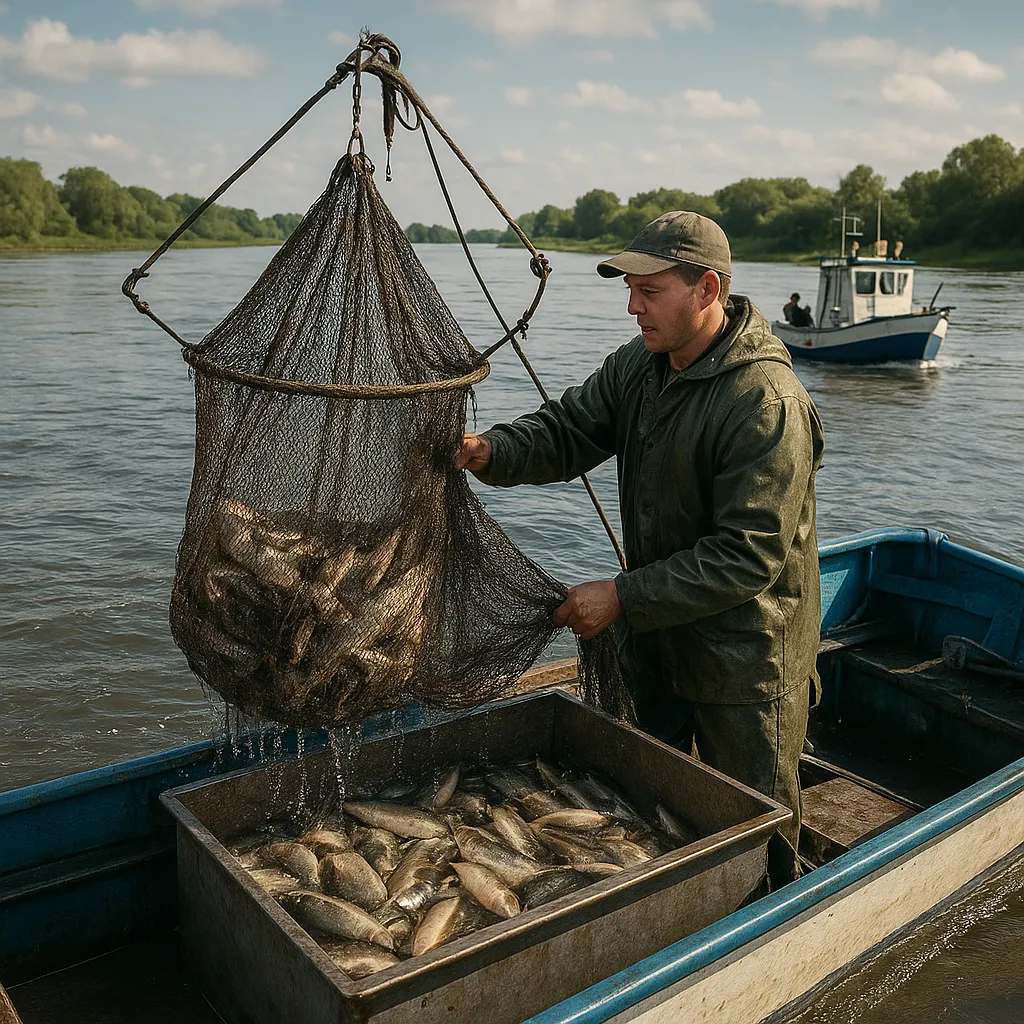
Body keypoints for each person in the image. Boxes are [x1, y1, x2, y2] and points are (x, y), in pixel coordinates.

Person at [456, 211, 825, 888]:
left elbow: (745, 557)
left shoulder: (765, 402)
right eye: (630, 289)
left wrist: (621, 596)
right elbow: (567, 429)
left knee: (761, 825)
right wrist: (486, 452)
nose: (633, 307)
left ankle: (779, 929)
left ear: (707, 290)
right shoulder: (641, 365)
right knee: (646, 801)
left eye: (649, 291)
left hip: (747, 658)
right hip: (660, 639)